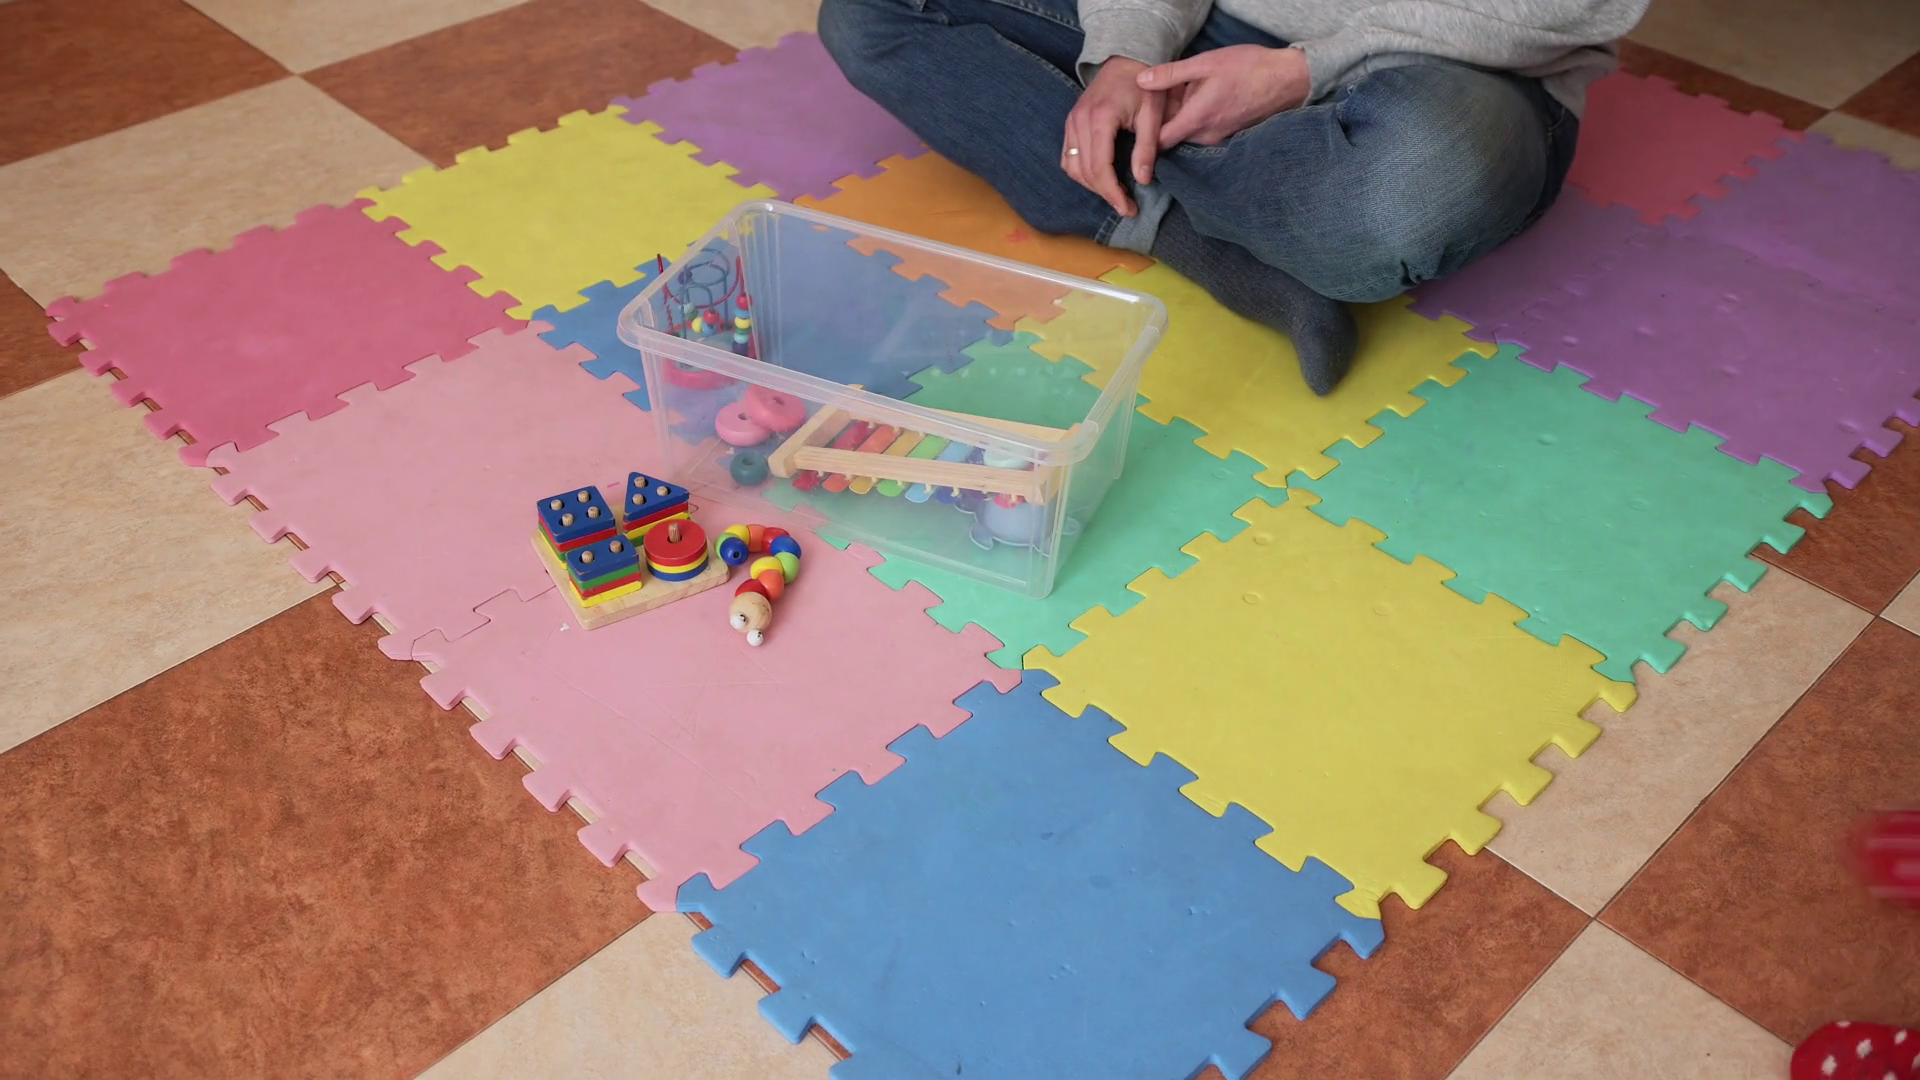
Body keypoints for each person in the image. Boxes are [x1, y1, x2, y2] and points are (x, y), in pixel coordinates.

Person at [818, 0, 1650, 395]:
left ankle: (1147, 166)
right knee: (870, 10)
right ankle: (1194, 232)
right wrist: (1127, 53)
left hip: (1455, 65)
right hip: (1211, 21)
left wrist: (1301, 73)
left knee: (1418, 186)